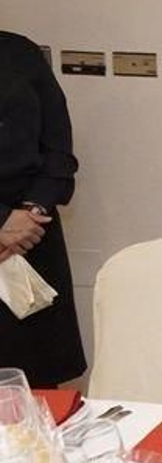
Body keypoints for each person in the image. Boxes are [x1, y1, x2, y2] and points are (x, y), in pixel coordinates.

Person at [0, 32, 85, 386]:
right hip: (11, 227)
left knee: (36, 379)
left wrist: (30, 212)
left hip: (31, 235)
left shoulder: (20, 52)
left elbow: (59, 149)